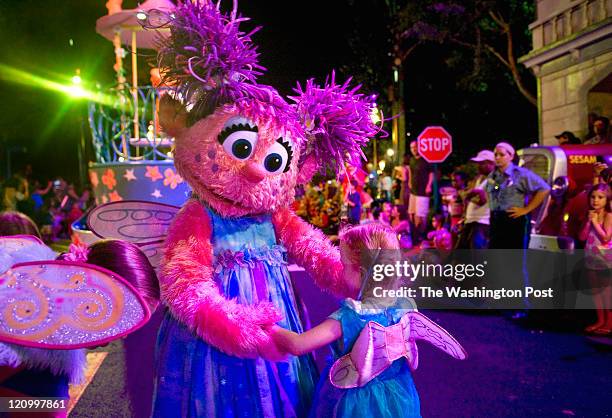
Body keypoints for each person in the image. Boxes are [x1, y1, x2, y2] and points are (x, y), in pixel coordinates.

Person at [270, 224, 422, 418]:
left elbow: (298, 345)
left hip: (358, 404)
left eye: (343, 265)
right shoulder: (403, 306)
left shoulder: (349, 316)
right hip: (397, 393)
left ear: (361, 271)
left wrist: (266, 325)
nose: (340, 271)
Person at [486, 142, 550, 249]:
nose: (497, 158)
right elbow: (489, 193)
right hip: (496, 220)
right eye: (495, 154)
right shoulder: (493, 175)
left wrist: (527, 209)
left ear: (510, 156)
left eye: (501, 155)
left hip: (514, 220)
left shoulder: (520, 174)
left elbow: (544, 188)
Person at [578, 183, 611, 335]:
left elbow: (606, 237)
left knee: (606, 290)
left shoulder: (609, 216)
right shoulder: (590, 215)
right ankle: (600, 320)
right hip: (590, 255)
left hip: (604, 258)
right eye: (593, 197)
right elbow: (582, 237)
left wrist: (596, 223)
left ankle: (609, 322)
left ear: (607, 199)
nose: (595, 201)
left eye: (600, 197)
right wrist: (588, 222)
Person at [455, 150, 495, 249]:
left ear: (491, 163)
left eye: (481, 163)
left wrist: (474, 193)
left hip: (482, 223)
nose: (478, 166)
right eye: (478, 163)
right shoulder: (479, 179)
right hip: (471, 221)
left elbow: (483, 200)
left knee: (477, 256)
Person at [407, 141, 433, 243]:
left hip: (422, 192)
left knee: (420, 216)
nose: (413, 149)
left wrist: (429, 186)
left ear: (419, 147)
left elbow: (431, 174)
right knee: (411, 213)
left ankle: (422, 235)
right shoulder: (412, 160)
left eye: (415, 147)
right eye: (411, 147)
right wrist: (409, 181)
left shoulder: (425, 159)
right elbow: (410, 171)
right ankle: (416, 234)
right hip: (413, 191)